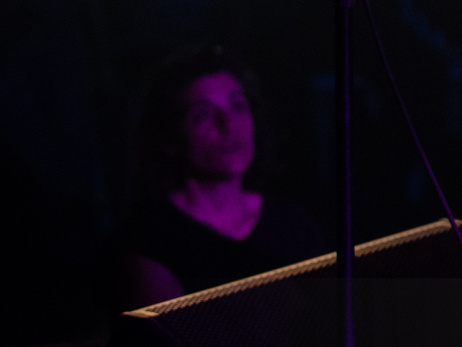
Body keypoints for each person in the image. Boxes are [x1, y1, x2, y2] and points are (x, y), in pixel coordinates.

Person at [112, 46, 326, 308]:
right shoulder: (149, 240)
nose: (228, 124)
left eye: (237, 106)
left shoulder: (292, 225)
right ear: (169, 137)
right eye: (202, 114)